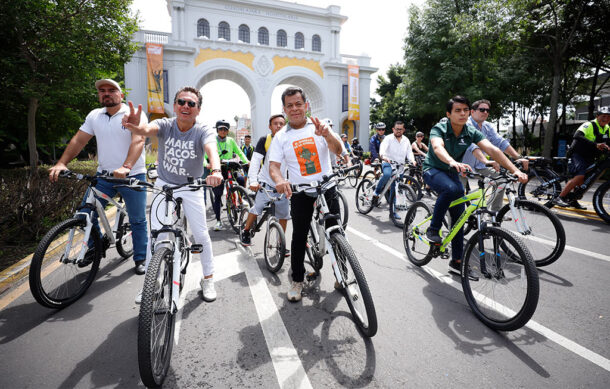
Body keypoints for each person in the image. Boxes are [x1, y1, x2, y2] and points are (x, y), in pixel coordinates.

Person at [121, 86, 223, 302]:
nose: (186, 106)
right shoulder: (165, 124)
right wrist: (136, 127)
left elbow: (211, 149)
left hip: (191, 186)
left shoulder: (203, 130)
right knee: (156, 236)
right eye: (181, 102)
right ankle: (153, 282)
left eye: (191, 103)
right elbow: (148, 130)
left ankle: (208, 278)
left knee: (201, 234)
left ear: (198, 109)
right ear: (175, 106)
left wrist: (215, 170)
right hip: (164, 184)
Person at [48, 79, 149, 275]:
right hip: (104, 176)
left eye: (112, 90)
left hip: (132, 175)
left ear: (120, 94)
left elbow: (138, 141)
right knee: (85, 212)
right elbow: (79, 140)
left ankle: (141, 257)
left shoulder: (133, 114)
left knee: (137, 220)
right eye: (102, 91)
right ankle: (95, 246)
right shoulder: (95, 116)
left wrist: (126, 166)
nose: (106, 93)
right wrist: (62, 163)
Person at [422, 95, 528, 276]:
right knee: (453, 189)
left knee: (459, 218)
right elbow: (438, 147)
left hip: (452, 172)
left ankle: (457, 262)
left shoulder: (470, 131)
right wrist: (451, 161)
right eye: (457, 110)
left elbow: (493, 149)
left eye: (465, 110)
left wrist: (514, 170)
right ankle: (433, 228)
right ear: (449, 114)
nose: (462, 114)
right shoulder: (439, 128)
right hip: (433, 169)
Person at [268, 86, 342, 302]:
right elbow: (273, 166)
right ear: (284, 109)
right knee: (299, 236)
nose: (295, 109)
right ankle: (297, 281)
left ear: (306, 105)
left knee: (336, 233)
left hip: (326, 186)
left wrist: (327, 136)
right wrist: (280, 180)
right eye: (289, 106)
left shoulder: (321, 126)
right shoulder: (281, 136)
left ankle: (341, 274)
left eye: (298, 104)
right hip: (300, 191)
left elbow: (338, 150)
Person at [461, 99, 529, 212]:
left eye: (487, 110)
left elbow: (501, 142)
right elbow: (472, 146)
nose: (485, 112)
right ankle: (452, 224)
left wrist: (518, 157)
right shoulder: (465, 124)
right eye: (482, 109)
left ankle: (494, 213)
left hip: (479, 166)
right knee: (456, 197)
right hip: (461, 166)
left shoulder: (487, 126)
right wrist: (486, 161)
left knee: (501, 180)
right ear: (472, 112)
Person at [241, 114, 290, 250]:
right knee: (258, 207)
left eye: (281, 123)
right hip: (265, 182)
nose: (279, 126)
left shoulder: (288, 141)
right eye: (275, 123)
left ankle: (281, 243)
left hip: (282, 184)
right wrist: (253, 181)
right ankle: (246, 231)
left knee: (284, 215)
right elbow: (255, 162)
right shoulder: (265, 140)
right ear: (270, 126)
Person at [553, 106, 610, 209]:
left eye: (608, 117)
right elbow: (577, 136)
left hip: (590, 157)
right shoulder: (589, 125)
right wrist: (595, 145)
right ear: (597, 116)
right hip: (577, 154)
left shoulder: (607, 128)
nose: (606, 119)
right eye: (604, 116)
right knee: (580, 176)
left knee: (582, 181)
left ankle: (573, 200)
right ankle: (559, 197)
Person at [372, 121, 416, 219]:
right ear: (393, 129)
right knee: (387, 174)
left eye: (400, 129)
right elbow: (382, 149)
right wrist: (383, 157)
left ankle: (392, 212)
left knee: (395, 189)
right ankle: (376, 192)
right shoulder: (388, 138)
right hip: (388, 162)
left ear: (403, 130)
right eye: (397, 129)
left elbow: (409, 152)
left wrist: (412, 160)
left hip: (399, 166)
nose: (398, 131)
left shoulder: (406, 140)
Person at [211, 120, 249, 231]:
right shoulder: (212, 141)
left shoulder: (231, 140)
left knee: (241, 180)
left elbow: (239, 152)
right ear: (217, 130)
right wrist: (207, 164)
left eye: (225, 129)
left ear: (228, 131)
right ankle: (218, 221)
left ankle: (240, 200)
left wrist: (246, 161)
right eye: (220, 129)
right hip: (218, 169)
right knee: (217, 195)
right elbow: (205, 155)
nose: (223, 131)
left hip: (231, 166)